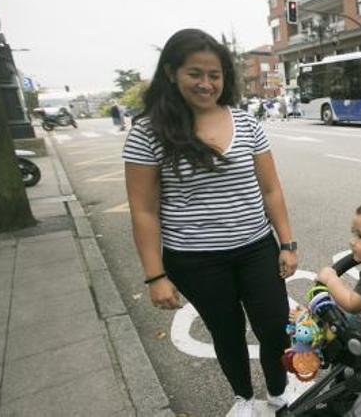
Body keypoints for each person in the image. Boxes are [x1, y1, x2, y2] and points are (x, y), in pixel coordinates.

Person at [122, 29, 299, 417]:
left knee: (273, 327)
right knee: (227, 332)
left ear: (225, 78)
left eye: (214, 75)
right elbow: (143, 210)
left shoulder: (246, 123)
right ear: (172, 73)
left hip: (256, 248)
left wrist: (286, 243)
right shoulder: (148, 132)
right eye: (195, 74)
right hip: (195, 259)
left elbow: (271, 189)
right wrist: (155, 276)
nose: (206, 84)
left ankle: (278, 391)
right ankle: (243, 398)